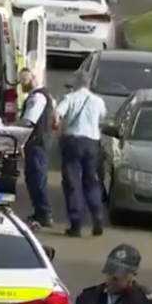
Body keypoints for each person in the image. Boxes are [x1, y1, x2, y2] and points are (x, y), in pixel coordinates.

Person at [55, 70, 106, 237]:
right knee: (91, 180)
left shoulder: (70, 98)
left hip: (73, 141)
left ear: (77, 83)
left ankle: (76, 223)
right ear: (89, 83)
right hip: (92, 143)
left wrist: (56, 128)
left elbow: (57, 115)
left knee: (72, 181)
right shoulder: (98, 101)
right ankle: (97, 215)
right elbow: (101, 119)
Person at [15, 68, 53, 226]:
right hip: (41, 141)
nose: (21, 86)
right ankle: (40, 212)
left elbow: (28, 121)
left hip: (37, 142)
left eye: (22, 82)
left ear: (30, 80)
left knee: (36, 178)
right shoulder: (45, 95)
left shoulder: (37, 97)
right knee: (35, 178)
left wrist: (11, 128)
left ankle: (44, 213)